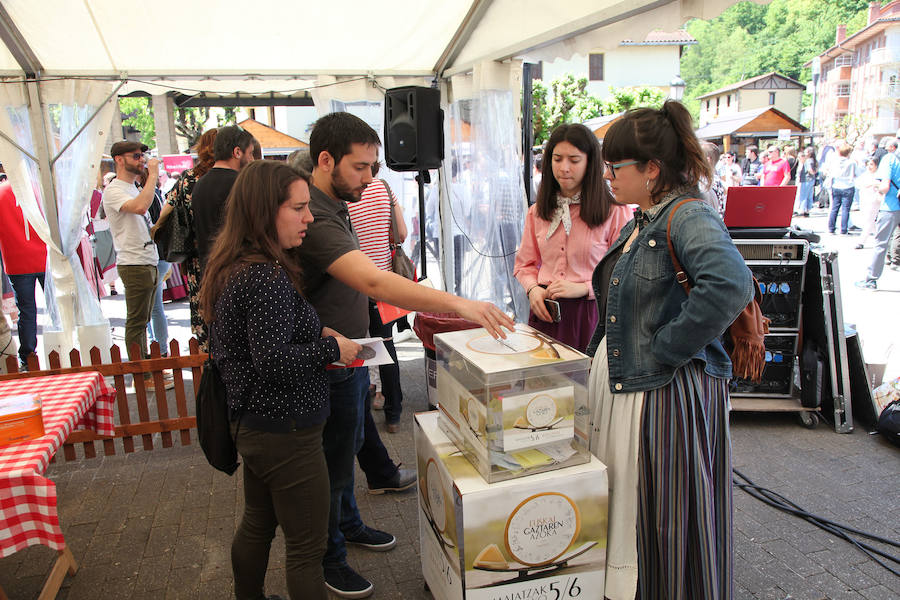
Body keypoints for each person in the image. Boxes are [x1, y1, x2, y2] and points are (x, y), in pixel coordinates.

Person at [297, 111, 512, 598]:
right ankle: (330, 557)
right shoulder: (312, 210)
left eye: (375, 168)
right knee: (330, 465)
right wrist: (460, 304)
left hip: (351, 353)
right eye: (361, 167)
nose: (370, 179)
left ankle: (349, 525)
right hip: (328, 360)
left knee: (348, 448)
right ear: (325, 159)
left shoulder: (336, 202)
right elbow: (372, 278)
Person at [588, 100, 753, 600]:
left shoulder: (687, 216)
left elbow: (728, 283)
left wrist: (668, 347)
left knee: (663, 517)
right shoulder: (647, 216)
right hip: (638, 391)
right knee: (642, 515)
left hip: (662, 400)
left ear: (652, 169)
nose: (607, 177)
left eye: (614, 167)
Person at [200, 160, 360, 600]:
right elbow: (273, 362)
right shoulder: (264, 275)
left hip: (257, 427)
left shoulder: (240, 264)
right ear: (264, 211)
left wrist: (317, 332)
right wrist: (333, 350)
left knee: (258, 522)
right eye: (299, 208)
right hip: (286, 432)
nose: (309, 217)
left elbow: (266, 342)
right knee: (307, 550)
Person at [514, 123, 631, 352]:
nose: (564, 168)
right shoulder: (537, 212)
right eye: (557, 159)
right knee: (545, 383)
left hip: (591, 314)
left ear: (590, 163)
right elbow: (524, 264)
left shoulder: (615, 212)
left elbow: (625, 272)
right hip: (544, 313)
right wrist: (532, 289)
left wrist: (585, 287)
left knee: (586, 383)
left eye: (574, 160)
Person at [102, 141, 169, 380]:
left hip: (147, 259)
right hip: (134, 262)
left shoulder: (131, 187)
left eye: (143, 156)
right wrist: (152, 175)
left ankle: (146, 370)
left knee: (144, 319)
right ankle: (142, 376)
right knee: (137, 321)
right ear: (119, 159)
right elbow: (140, 207)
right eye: (136, 156)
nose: (141, 160)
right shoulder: (114, 190)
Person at [191, 125, 257, 268]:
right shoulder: (241, 184)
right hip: (236, 270)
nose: (252, 159)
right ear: (237, 152)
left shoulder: (200, 183)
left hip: (210, 270)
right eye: (251, 153)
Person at [0, 181, 47, 370]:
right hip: (44, 255)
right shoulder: (39, 187)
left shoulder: (2, 191)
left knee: (26, 311)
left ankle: (27, 357)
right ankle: (62, 346)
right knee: (57, 308)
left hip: (16, 258)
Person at [856, 138, 900, 289]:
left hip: (891, 206)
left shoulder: (889, 159)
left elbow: (885, 186)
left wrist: (876, 186)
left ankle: (871, 280)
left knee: (881, 244)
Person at [827, 142, 860, 235]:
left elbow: (830, 172)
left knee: (834, 207)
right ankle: (843, 229)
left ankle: (831, 227)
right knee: (845, 209)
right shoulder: (852, 162)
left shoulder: (835, 161)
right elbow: (856, 174)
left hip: (836, 185)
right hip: (848, 185)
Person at [855, 156, 882, 249]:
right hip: (864, 200)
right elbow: (859, 184)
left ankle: (861, 241)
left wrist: (873, 184)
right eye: (868, 164)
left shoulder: (878, 176)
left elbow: (880, 185)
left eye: (871, 164)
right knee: (870, 222)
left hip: (873, 200)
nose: (869, 166)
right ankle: (879, 238)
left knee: (869, 221)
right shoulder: (865, 175)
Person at [794, 146, 818, 217]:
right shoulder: (814, 160)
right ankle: (808, 209)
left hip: (806, 179)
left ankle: (802, 210)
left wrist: (812, 172)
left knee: (803, 195)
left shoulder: (808, 160)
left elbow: (810, 170)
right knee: (809, 195)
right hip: (811, 179)